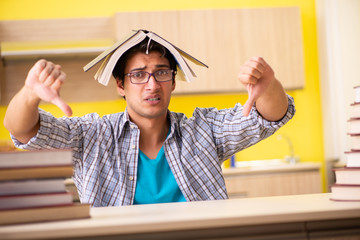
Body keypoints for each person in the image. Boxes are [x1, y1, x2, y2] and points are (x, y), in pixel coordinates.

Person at [3, 38, 295, 207]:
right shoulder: (91, 135)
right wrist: (30, 94)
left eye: (162, 72)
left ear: (173, 82)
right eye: (139, 74)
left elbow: (269, 116)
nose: (152, 84)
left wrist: (269, 85)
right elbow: (22, 129)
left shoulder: (204, 130)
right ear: (120, 85)